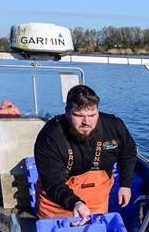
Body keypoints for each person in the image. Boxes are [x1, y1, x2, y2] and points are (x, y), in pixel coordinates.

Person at [34, 85, 137, 223]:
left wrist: (125, 184)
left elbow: (128, 153)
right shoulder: (50, 137)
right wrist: (75, 203)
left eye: (92, 115)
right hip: (57, 206)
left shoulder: (114, 126)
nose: (86, 122)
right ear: (67, 113)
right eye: (79, 115)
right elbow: (52, 182)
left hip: (97, 203)